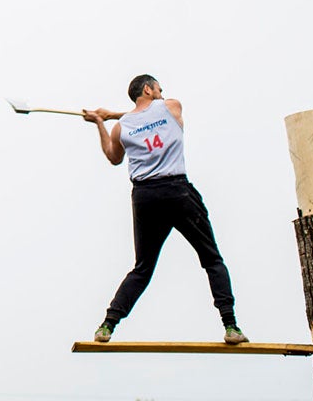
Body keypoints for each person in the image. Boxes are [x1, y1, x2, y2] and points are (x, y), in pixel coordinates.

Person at [82, 74, 247, 344]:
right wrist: (109, 115)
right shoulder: (171, 107)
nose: (162, 93)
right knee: (212, 259)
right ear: (148, 89)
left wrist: (102, 122)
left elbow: (113, 157)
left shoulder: (121, 128)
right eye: (159, 89)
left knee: (142, 268)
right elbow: (151, 112)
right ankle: (231, 326)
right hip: (177, 191)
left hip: (145, 197)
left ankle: (107, 326)